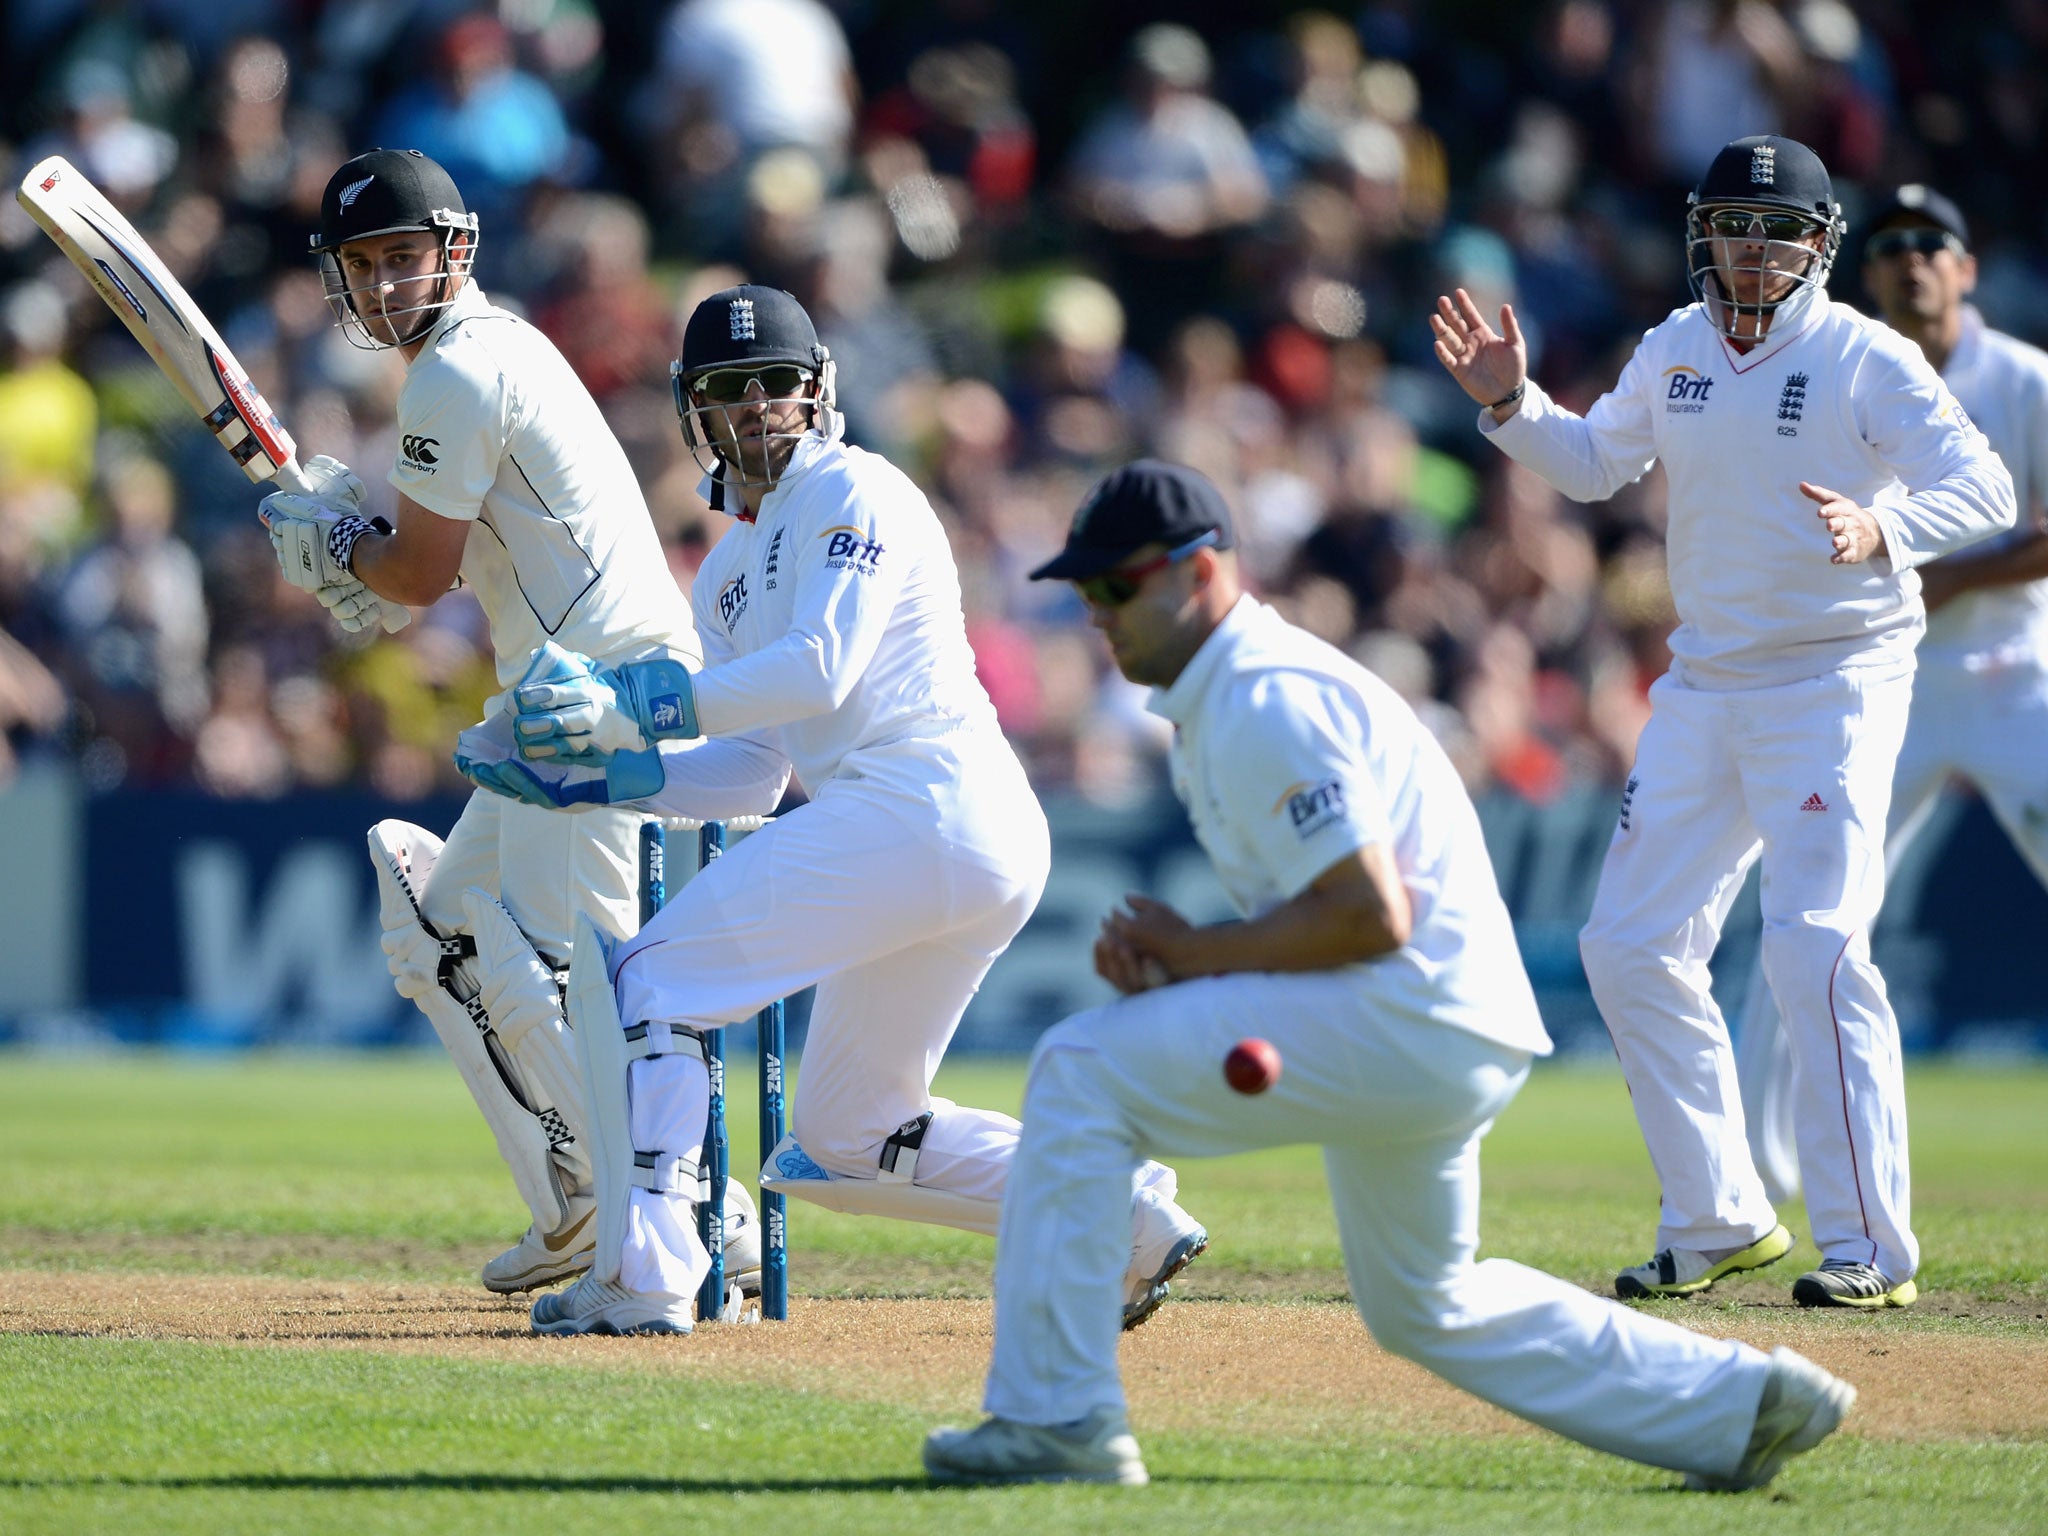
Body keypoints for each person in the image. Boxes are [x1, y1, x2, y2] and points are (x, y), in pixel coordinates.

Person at [922, 459, 1857, 1491]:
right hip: (1441, 1018)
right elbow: (1327, 913)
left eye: (1114, 586)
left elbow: (1369, 913)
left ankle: (1055, 1419)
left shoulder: (1261, 696)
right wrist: (1196, 965)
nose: (1094, 613)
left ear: (1196, 573)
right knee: (1422, 1300)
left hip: (1411, 1008)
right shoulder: (1226, 691)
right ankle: (1738, 1407)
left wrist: (1195, 956)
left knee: (1074, 1069)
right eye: (1082, 591)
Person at [457, 285, 1207, 1336]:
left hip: (926, 799)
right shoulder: (721, 575)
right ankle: (1120, 1212)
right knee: (850, 1134)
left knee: (645, 984)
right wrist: (600, 777)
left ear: (818, 395)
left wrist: (630, 703)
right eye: (730, 390)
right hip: (931, 832)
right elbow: (751, 776)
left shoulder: (856, 489)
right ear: (695, 410)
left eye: (778, 386)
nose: (758, 407)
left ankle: (648, 1273)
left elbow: (819, 669)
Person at [1430, 135, 2015, 1310]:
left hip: (1834, 679)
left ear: (1816, 247)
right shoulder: (1675, 346)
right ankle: (1715, 1218)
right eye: (1730, 232)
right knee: (1626, 947)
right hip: (1703, 685)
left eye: (1773, 235)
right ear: (1703, 237)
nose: (1748, 256)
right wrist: (1509, 402)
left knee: (1812, 945)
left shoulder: (1864, 355)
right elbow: (1594, 464)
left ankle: (1867, 1253)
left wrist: (1882, 527)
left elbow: (1986, 487)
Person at [259, 147, 739, 1299]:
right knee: (438, 920)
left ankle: (662, 1236)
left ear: (454, 251)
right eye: (362, 264)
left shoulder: (463, 368)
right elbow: (449, 565)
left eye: (401, 258)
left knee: (586, 976)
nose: (382, 286)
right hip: (557, 695)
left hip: (603, 695)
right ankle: (579, 1207)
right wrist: (350, 540)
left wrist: (334, 548)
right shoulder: (486, 353)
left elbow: (413, 575)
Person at [1735, 186, 2048, 1204]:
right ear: (1861, 273)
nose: (1910, 260)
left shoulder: (2023, 378)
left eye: (1931, 245)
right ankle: (1753, 1171)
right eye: (1889, 247)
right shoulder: (1837, 368)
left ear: (1964, 268)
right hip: (1881, 675)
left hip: (2009, 674)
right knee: (1808, 912)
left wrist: (1939, 571)